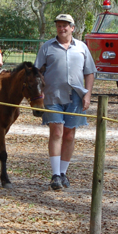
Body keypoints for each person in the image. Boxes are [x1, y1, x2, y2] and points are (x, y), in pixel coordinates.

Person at [34, 14, 95, 191]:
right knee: (57, 132)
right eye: (59, 26)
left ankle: (63, 173)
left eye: (65, 26)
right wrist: (40, 95)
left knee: (69, 135)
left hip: (75, 97)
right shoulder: (47, 47)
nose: (62, 29)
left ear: (72, 28)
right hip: (52, 96)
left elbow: (89, 72)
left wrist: (88, 95)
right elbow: (38, 72)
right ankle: (54, 175)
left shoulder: (82, 48)